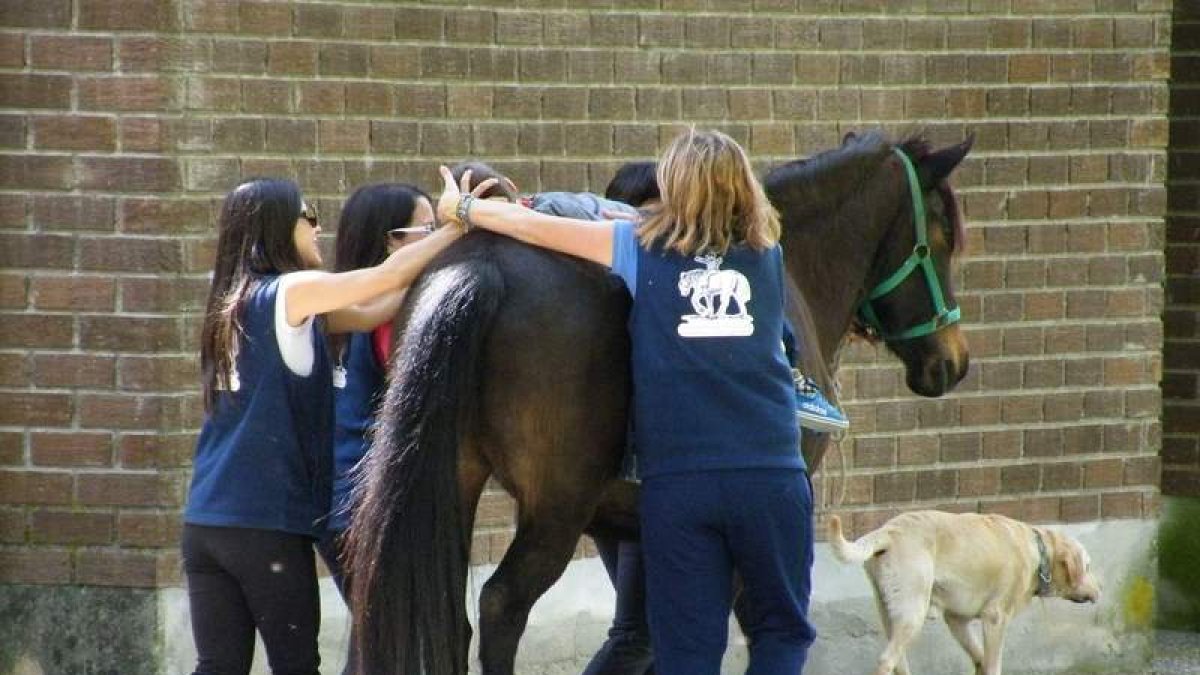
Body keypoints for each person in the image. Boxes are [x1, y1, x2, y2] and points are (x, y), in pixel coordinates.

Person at [435, 129, 817, 674]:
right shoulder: (768, 256)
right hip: (770, 475)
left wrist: (466, 207)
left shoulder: (638, 249)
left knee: (686, 648)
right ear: (745, 189)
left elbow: (534, 227)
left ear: (672, 190)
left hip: (678, 486)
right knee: (780, 630)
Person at [182, 178, 464, 675]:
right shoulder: (292, 291)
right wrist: (458, 224)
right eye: (307, 215)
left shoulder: (232, 301)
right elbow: (383, 277)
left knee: (218, 666)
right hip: (266, 523)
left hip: (206, 522)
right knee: (296, 666)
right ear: (276, 227)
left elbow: (375, 308)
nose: (318, 227)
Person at [317, 183, 439, 675]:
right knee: (388, 653)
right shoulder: (388, 313)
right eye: (425, 229)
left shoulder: (327, 305)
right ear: (391, 241)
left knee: (374, 648)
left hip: (332, 506)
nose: (433, 238)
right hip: (367, 506)